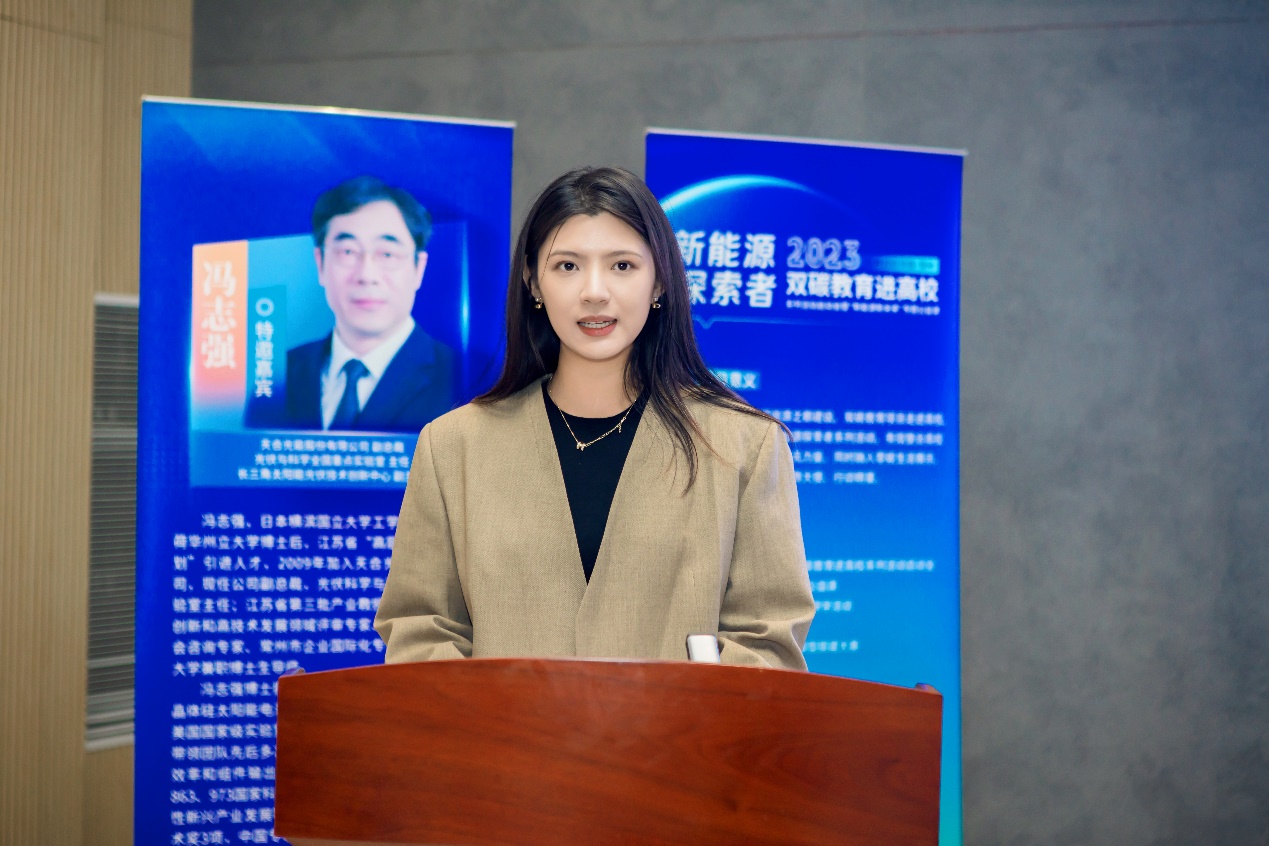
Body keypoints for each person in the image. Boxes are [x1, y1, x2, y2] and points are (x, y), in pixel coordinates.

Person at [373, 166, 814, 668]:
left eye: (622, 265)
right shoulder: (453, 445)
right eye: (567, 266)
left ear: (659, 281)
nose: (594, 291)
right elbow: (422, 629)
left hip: (681, 724)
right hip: (501, 723)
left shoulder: (746, 444)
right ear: (532, 282)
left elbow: (767, 640)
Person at [274, 175, 455, 432]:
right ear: (320, 263)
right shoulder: (278, 375)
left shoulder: (462, 377)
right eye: (348, 252)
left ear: (419, 269)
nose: (366, 275)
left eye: (387, 254)